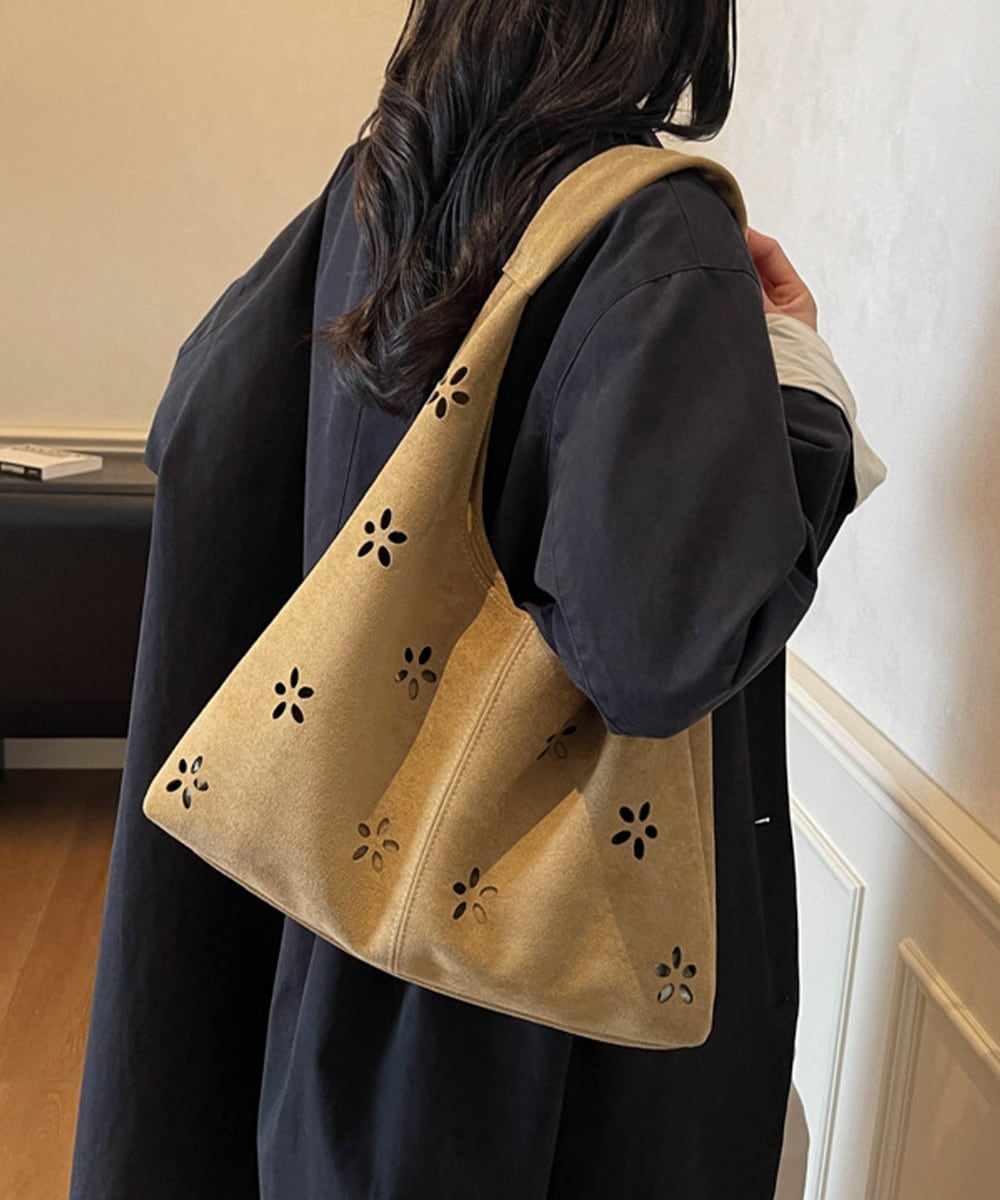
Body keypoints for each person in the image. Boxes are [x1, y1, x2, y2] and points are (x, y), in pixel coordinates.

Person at [69, 2, 887, 1197]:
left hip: (337, 900)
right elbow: (662, 643)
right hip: (533, 1005)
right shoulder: (652, 229)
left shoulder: (382, 182)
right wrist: (803, 392)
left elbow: (199, 424)